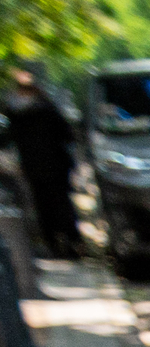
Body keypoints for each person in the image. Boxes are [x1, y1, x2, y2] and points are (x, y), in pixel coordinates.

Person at [3, 71, 77, 260]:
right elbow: (67, 134)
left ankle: (57, 243)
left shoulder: (16, 112)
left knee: (46, 206)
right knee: (60, 204)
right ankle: (69, 244)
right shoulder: (46, 109)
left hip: (38, 168)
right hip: (54, 167)